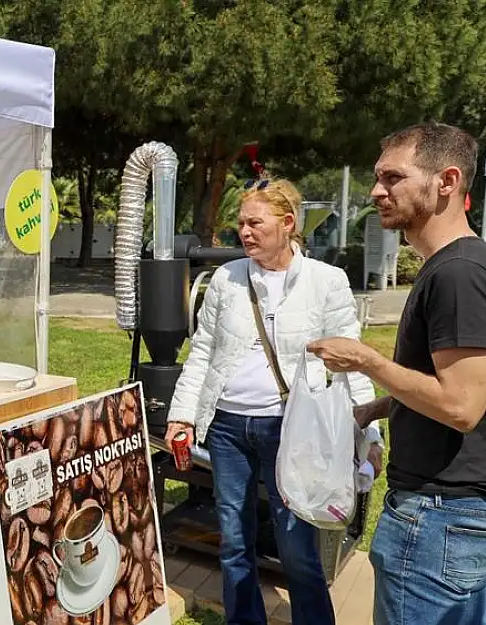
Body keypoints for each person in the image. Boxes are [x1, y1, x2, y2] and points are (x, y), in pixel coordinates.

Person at [163, 178, 382, 625]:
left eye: (254, 223)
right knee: (233, 539)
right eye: (240, 223)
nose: (244, 232)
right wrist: (183, 415)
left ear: (287, 223)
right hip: (226, 428)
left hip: (289, 429)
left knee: (297, 543)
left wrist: (369, 433)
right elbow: (203, 350)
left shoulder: (326, 282)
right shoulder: (227, 278)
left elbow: (351, 361)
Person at [308, 122, 486, 624]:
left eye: (393, 178)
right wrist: (379, 405)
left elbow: (462, 406)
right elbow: (464, 382)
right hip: (447, 518)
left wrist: (367, 361)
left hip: (438, 520)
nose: (376, 191)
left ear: (446, 181)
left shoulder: (458, 274)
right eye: (376, 177)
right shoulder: (454, 266)